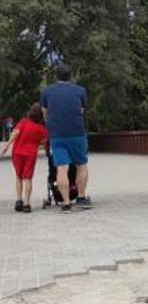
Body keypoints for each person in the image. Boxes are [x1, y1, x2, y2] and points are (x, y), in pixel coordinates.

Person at [40, 65, 91, 212]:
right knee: (81, 165)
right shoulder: (80, 91)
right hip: (76, 133)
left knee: (61, 168)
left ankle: (66, 202)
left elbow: (45, 114)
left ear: (56, 76)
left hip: (56, 135)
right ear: (70, 76)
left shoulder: (46, 92)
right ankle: (81, 198)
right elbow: (80, 111)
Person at [1, 104, 48, 213]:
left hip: (17, 153)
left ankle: (18, 200)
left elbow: (15, 134)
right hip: (30, 155)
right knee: (28, 178)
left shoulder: (23, 122)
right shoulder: (42, 129)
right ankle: (26, 204)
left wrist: (6, 146)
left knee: (18, 176)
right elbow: (45, 142)